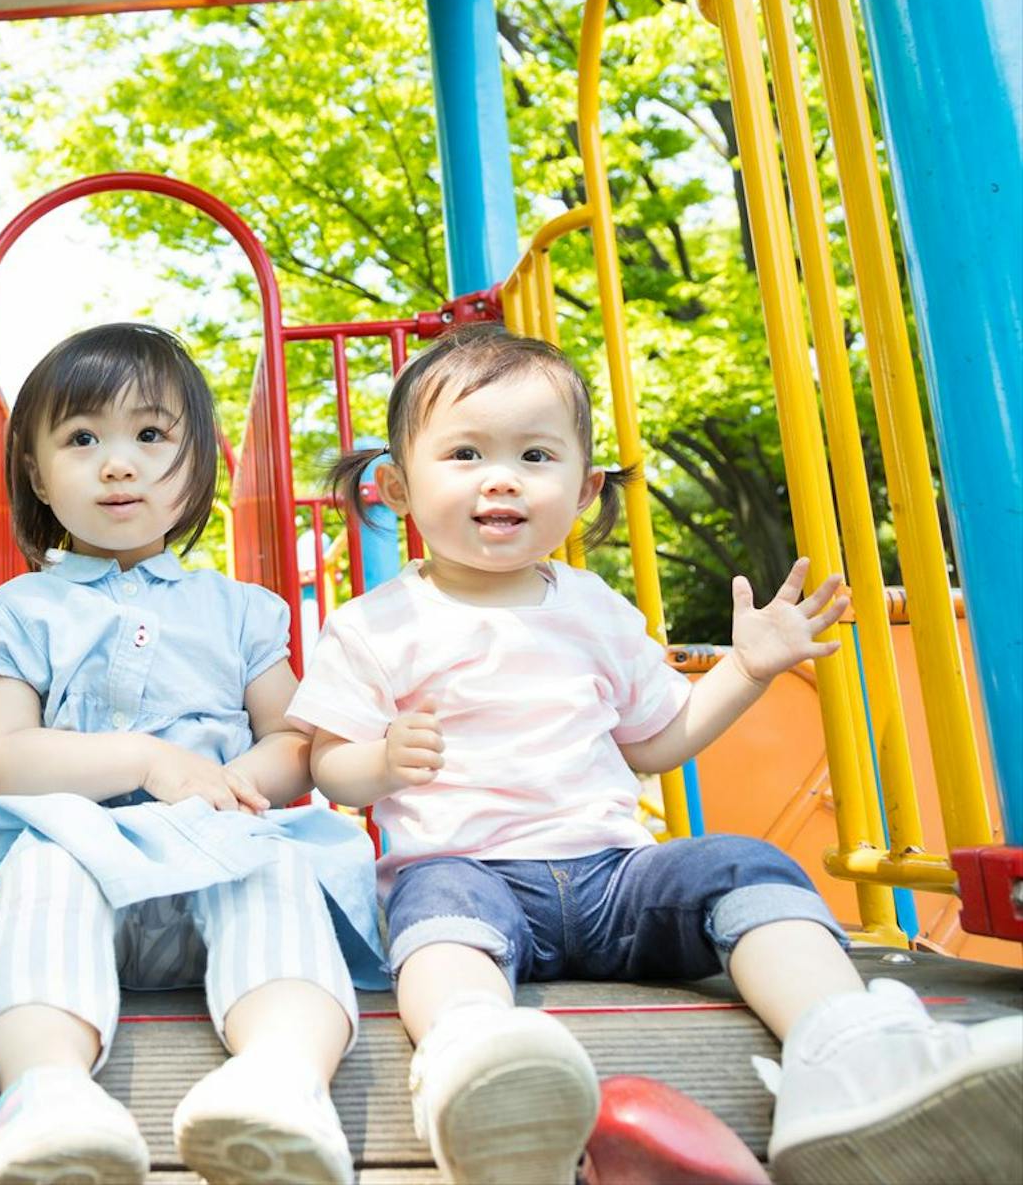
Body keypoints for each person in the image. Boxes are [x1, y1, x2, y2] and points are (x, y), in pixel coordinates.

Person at [290, 323, 1023, 1185]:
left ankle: (843, 1046)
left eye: (535, 454)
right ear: (398, 487)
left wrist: (748, 668)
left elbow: (657, 740)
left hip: (612, 876)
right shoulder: (377, 623)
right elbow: (325, 762)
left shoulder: (595, 608)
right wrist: (378, 761)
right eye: (463, 454)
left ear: (584, 485)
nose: (501, 477)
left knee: (744, 865)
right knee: (435, 919)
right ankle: (476, 1063)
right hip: (470, 868)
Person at [0, 323, 385, 1185]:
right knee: (40, 871)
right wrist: (145, 758)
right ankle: (45, 1095)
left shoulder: (240, 610)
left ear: (196, 464)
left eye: (151, 436)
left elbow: (293, 741)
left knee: (276, 871)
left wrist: (235, 784)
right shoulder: (19, 609)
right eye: (83, 439)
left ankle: (282, 1082)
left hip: (214, 850)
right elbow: (3, 753)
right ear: (36, 473)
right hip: (84, 860)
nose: (119, 463)